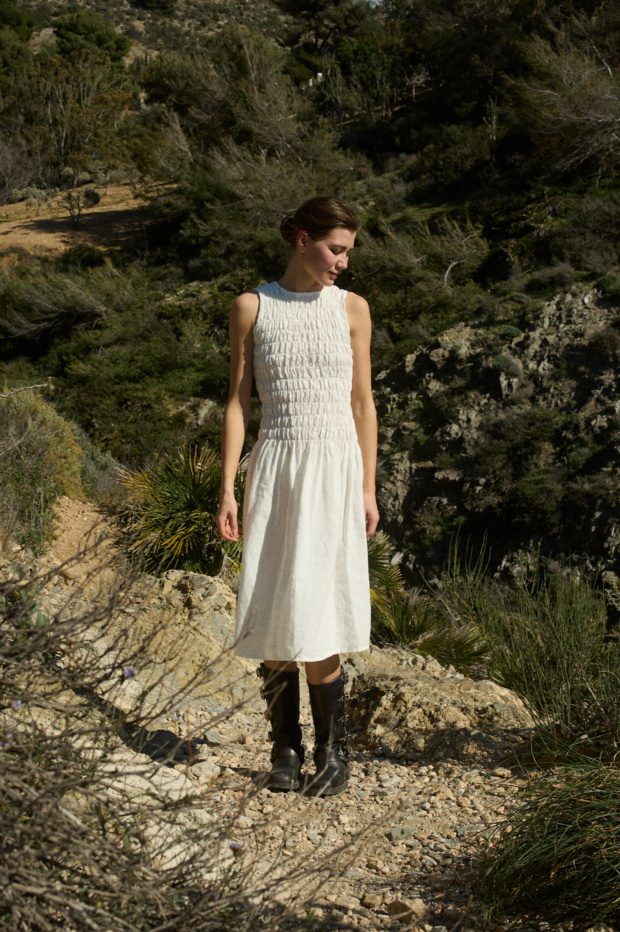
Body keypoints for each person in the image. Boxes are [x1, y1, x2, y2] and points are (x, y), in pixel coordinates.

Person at [216, 196, 379, 797]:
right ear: (303, 239)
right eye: (337, 249)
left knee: (324, 604)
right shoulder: (252, 306)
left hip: (335, 466)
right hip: (277, 462)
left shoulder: (353, 309)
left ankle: (333, 753)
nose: (343, 262)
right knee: (279, 601)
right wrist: (228, 487)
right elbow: (237, 401)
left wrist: (367, 486)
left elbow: (363, 404)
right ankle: (283, 748)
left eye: (348, 252)